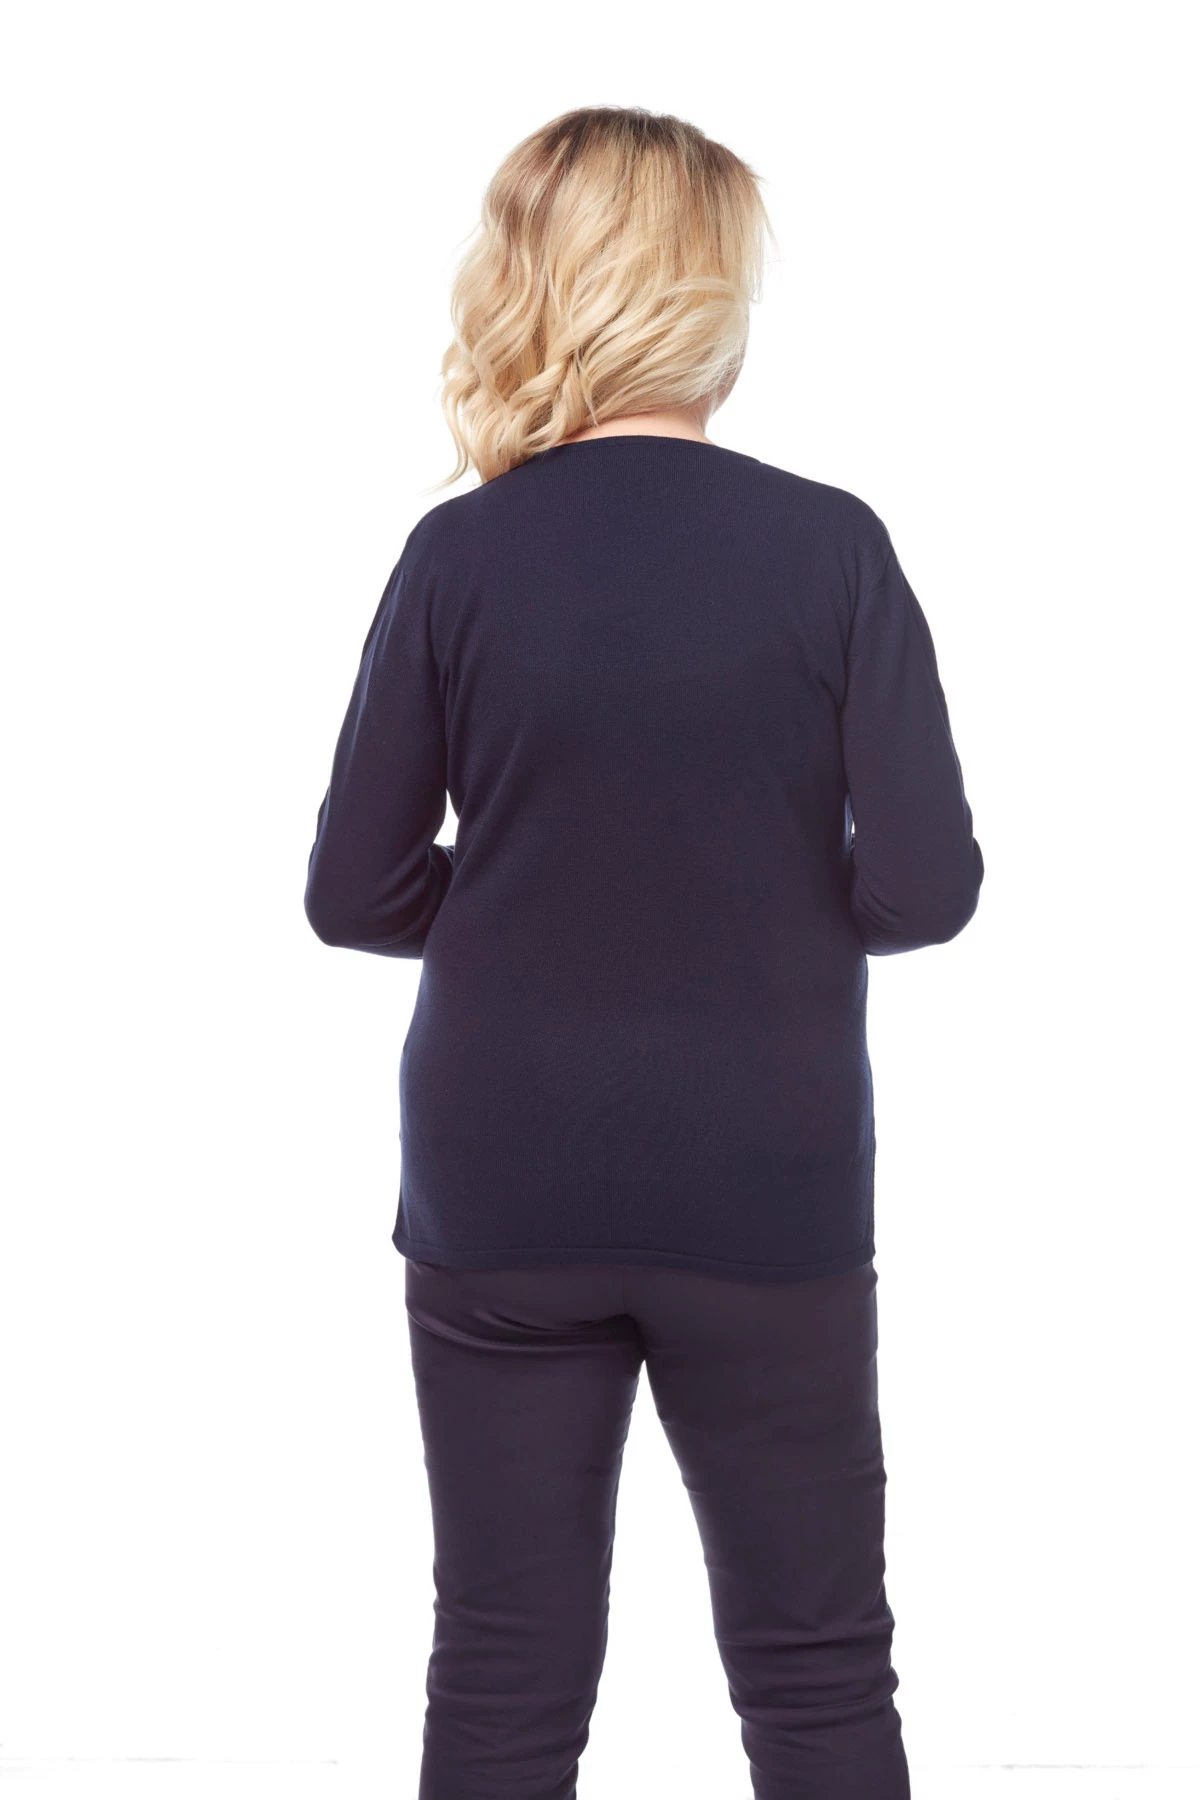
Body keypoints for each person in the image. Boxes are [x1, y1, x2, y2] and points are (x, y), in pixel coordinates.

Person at [304, 105, 983, 1800]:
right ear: (709, 294)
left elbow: (352, 891)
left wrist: (538, 892)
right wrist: (756, 889)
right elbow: (928, 886)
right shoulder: (831, 548)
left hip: (501, 1182)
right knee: (820, 1672)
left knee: (503, 1669)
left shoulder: (457, 557)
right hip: (766, 1181)